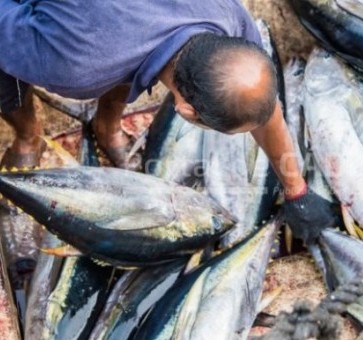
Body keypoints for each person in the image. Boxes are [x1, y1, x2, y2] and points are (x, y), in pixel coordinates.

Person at [0, 0, 336, 244]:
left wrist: (296, 189)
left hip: (104, 30)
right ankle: (28, 136)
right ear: (186, 110)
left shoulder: (228, 20)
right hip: (59, 34)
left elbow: (264, 111)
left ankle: (107, 126)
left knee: (123, 62)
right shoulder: (72, 68)